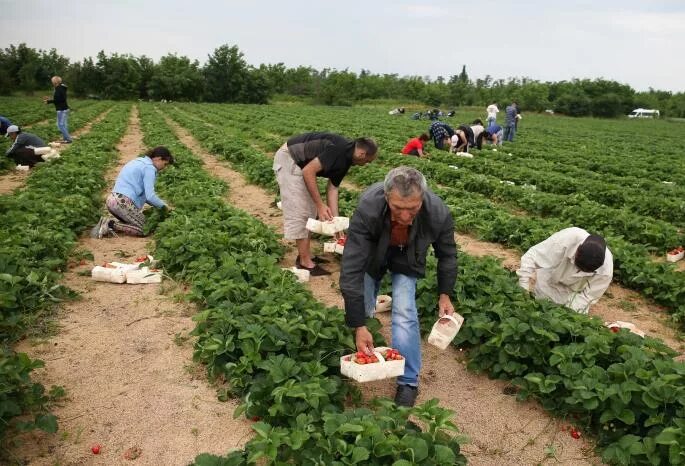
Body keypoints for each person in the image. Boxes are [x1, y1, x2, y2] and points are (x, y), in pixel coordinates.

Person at [340, 166, 457, 407]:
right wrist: (359, 323)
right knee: (363, 297)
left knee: (404, 311)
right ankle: (362, 337)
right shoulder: (368, 208)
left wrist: (445, 294)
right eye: (397, 208)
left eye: (413, 209)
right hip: (373, 253)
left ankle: (408, 381)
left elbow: (448, 255)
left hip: (409, 256)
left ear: (422, 198)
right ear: (386, 197)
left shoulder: (437, 213)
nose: (405, 216)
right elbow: (351, 267)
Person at [273, 132, 378, 276]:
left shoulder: (347, 159)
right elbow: (308, 171)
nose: (366, 164)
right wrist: (320, 204)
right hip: (290, 159)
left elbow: (332, 189)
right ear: (361, 153)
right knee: (301, 211)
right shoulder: (339, 149)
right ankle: (305, 263)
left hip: (301, 165)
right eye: (367, 161)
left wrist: (336, 225)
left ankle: (305, 256)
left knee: (309, 211)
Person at [516, 227, 613, 314]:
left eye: (584, 271)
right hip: (548, 282)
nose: (578, 271)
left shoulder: (605, 270)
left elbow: (587, 297)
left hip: (573, 295)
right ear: (577, 250)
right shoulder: (567, 239)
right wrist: (523, 289)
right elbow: (532, 257)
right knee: (539, 310)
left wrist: (568, 315)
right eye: (578, 266)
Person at [91, 146, 174, 239]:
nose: (164, 167)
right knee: (145, 229)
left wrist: (159, 205)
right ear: (158, 159)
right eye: (165, 164)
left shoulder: (138, 161)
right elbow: (150, 196)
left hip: (112, 200)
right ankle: (110, 224)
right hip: (123, 203)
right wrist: (165, 207)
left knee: (135, 223)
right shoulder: (149, 168)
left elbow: (147, 197)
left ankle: (111, 224)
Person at [43, 76, 72, 143]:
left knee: (60, 125)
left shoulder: (59, 89)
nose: (52, 82)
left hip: (62, 110)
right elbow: (60, 98)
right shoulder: (61, 88)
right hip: (64, 109)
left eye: (52, 81)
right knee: (63, 124)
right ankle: (65, 138)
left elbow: (59, 99)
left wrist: (48, 101)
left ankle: (68, 139)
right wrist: (50, 100)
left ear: (55, 82)